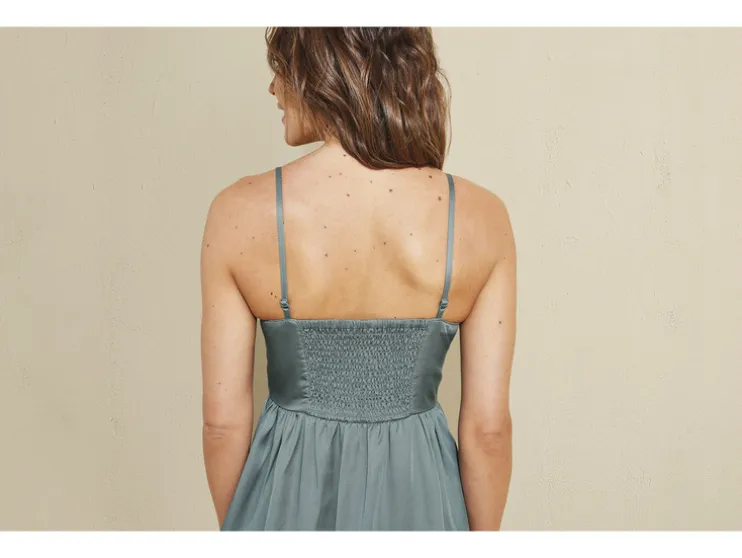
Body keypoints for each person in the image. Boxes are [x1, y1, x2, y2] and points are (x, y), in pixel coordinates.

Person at [200, 27, 516, 531]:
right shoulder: (481, 217)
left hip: (286, 498)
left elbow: (222, 425)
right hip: (421, 494)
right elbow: (488, 431)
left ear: (324, 70)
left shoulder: (239, 213)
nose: (273, 87)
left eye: (282, 67)